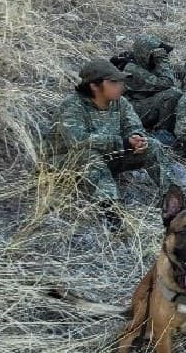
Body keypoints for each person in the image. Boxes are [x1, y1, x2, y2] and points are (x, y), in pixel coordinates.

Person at [46, 59, 174, 230]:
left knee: (153, 145)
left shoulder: (120, 102)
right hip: (66, 163)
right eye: (114, 82)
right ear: (94, 86)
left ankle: (174, 200)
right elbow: (78, 141)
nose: (121, 86)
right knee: (89, 156)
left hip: (108, 156)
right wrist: (121, 143)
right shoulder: (72, 106)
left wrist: (137, 139)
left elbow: (134, 126)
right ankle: (112, 214)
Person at [119, 35, 181, 141]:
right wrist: (162, 59)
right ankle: (162, 134)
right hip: (132, 111)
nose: (157, 58)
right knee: (173, 94)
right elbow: (167, 83)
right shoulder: (130, 68)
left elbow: (175, 73)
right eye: (155, 55)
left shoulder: (143, 63)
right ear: (145, 54)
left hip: (143, 104)